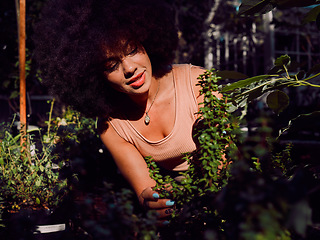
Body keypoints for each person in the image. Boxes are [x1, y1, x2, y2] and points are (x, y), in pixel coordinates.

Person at [34, 0, 213, 222]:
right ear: (93, 76)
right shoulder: (112, 126)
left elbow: (222, 160)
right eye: (111, 65)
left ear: (147, 42)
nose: (129, 68)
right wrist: (153, 200)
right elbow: (145, 189)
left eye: (132, 50)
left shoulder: (197, 83)